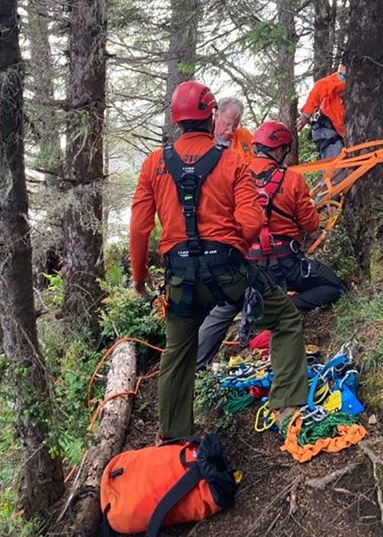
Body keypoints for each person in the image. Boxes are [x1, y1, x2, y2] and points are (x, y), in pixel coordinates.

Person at [131, 81, 309, 441]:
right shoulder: (232, 162)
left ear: (176, 120)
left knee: (177, 351)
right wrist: (231, 247)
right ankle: (286, 408)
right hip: (229, 270)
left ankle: (172, 436)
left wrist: (139, 276)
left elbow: (139, 227)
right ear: (211, 116)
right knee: (286, 319)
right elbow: (252, 220)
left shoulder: (154, 164)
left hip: (180, 277)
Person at [195, 121, 347, 368]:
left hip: (243, 264)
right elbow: (311, 225)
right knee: (334, 286)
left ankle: (194, 365)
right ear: (279, 150)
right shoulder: (293, 181)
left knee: (224, 308)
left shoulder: (234, 177)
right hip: (285, 265)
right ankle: (285, 307)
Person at [298, 64, 383, 159]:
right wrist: (306, 115)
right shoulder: (348, 76)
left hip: (347, 134)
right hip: (327, 128)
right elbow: (320, 87)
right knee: (337, 170)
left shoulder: (374, 91)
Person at [214, 96, 253, 162]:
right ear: (216, 116)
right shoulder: (204, 140)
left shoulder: (245, 136)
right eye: (227, 124)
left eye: (235, 126)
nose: (230, 131)